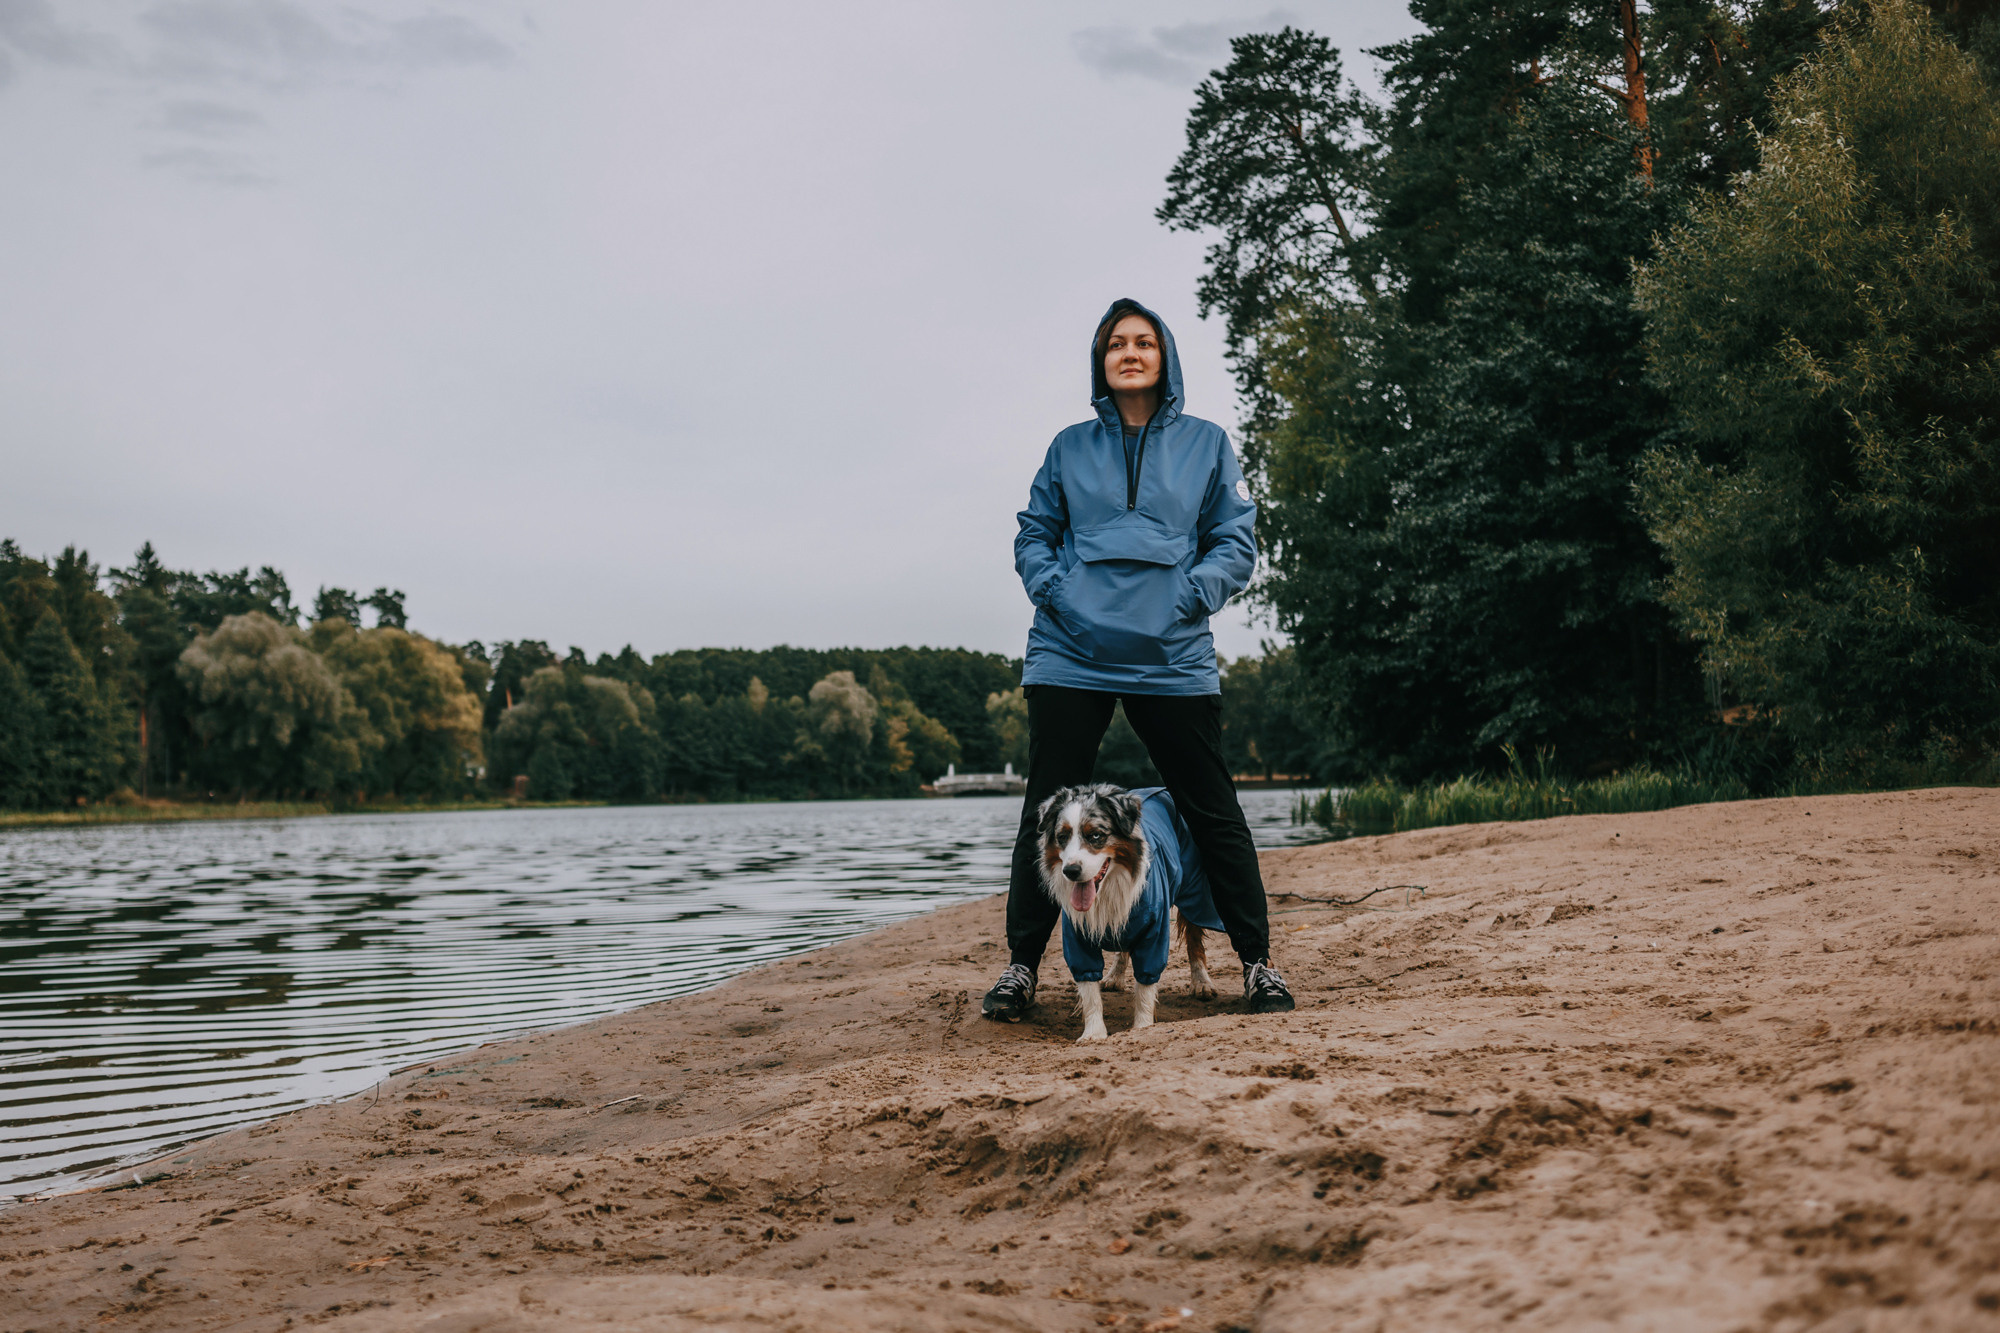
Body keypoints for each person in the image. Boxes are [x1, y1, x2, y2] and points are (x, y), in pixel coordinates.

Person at [982, 297, 1295, 1023]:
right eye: (1116, 343)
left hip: (1171, 654)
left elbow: (1235, 539)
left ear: (1165, 357)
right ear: (1101, 360)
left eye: (1144, 342)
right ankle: (1022, 968)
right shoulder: (1068, 447)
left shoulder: (1208, 443)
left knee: (1212, 809)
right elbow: (1035, 532)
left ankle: (1258, 964)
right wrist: (1057, 593)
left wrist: (1191, 595)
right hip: (1070, 651)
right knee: (1044, 808)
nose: (1130, 352)